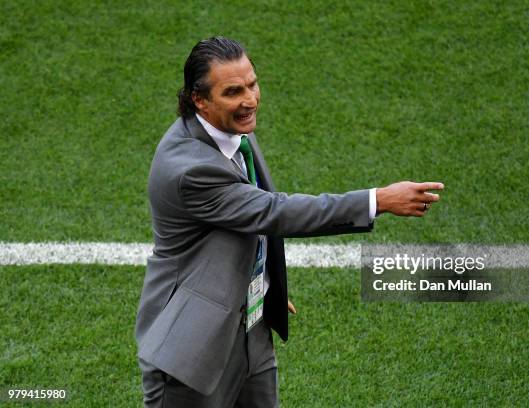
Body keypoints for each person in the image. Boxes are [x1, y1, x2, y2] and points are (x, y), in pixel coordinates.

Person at [134, 36, 443, 407]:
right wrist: (377, 200)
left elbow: (236, 225)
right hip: (193, 346)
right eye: (233, 91)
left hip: (249, 324)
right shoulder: (191, 169)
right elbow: (273, 212)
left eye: (252, 84)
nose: (249, 99)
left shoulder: (230, 130)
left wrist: (259, 283)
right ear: (199, 99)